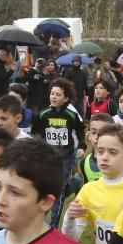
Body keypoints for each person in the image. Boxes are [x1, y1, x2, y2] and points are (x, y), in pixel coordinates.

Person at [31, 78, 86, 227]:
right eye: (52, 93)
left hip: (66, 156)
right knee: (46, 187)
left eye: (58, 94)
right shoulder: (43, 114)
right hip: (47, 157)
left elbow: (80, 130)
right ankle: (74, 183)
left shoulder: (71, 115)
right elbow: (35, 133)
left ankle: (53, 226)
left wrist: (81, 146)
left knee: (59, 190)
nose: (53, 97)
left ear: (66, 98)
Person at [80, 113, 112, 183]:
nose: (97, 136)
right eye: (94, 132)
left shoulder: (118, 161)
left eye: (102, 132)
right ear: (89, 135)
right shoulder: (84, 162)